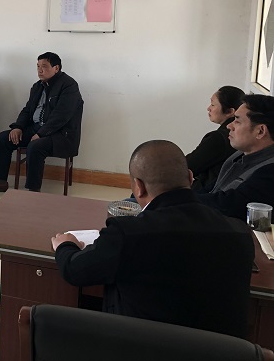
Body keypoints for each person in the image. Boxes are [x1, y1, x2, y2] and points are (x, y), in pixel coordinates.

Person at [52, 140, 253, 338]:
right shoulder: (239, 233)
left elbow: (74, 270)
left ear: (138, 187)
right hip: (218, 351)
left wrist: (65, 245)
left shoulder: (128, 233)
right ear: (190, 178)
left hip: (139, 349)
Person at [0, 52, 82, 193]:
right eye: (38, 66)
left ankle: (33, 190)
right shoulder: (37, 86)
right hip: (37, 128)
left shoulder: (69, 86)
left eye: (44, 66)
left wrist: (41, 134)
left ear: (56, 68)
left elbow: (61, 116)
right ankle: (0, 181)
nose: (40, 70)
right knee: (4, 137)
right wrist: (18, 127)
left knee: (35, 146)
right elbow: (28, 110)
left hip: (61, 134)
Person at [197, 94, 274, 220]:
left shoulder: (270, 171)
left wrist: (177, 199)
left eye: (237, 121)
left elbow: (227, 204)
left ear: (260, 131)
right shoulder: (238, 156)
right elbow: (212, 189)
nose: (229, 126)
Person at [187, 86, 245, 192]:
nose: (208, 108)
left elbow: (187, 166)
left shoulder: (219, 138)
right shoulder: (241, 135)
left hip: (205, 194)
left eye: (213, 104)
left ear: (230, 111)